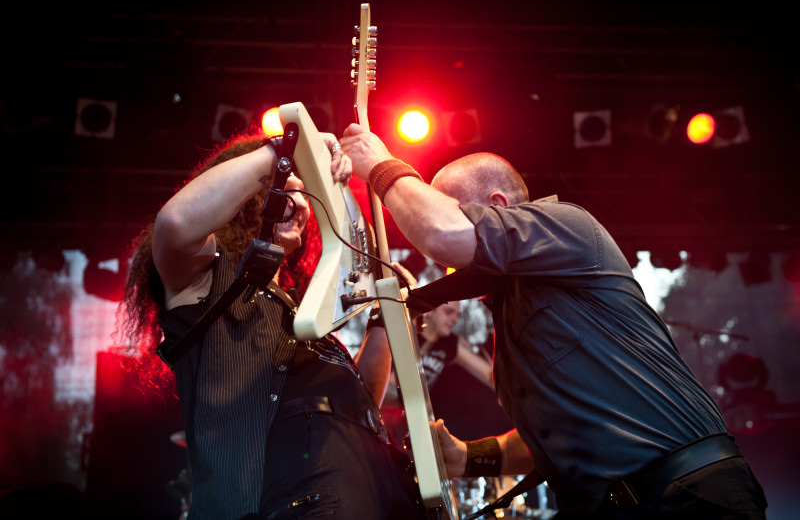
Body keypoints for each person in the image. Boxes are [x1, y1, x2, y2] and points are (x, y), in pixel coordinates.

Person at [340, 124, 768, 518]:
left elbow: (443, 234)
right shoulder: (512, 306)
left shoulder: (566, 225)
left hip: (686, 497)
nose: (440, 263)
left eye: (454, 209)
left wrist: (380, 165)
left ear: (498, 207)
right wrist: (468, 459)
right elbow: (554, 436)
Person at [115, 128, 426, 520]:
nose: (297, 201)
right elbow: (176, 223)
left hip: (375, 489)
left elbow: (357, 408)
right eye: (282, 186)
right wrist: (284, 148)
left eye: (303, 192)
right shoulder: (206, 282)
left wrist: (388, 317)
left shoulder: (298, 311)